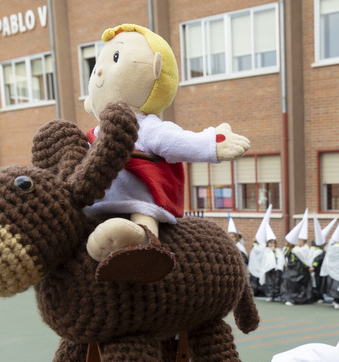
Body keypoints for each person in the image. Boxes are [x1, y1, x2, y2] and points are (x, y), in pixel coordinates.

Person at [82, 24, 249, 281]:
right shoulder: (91, 135)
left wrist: (213, 143)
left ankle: (142, 242)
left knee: (144, 219)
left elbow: (180, 142)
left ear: (156, 69)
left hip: (140, 202)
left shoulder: (147, 128)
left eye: (116, 58)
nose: (100, 71)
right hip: (96, 203)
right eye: (96, 67)